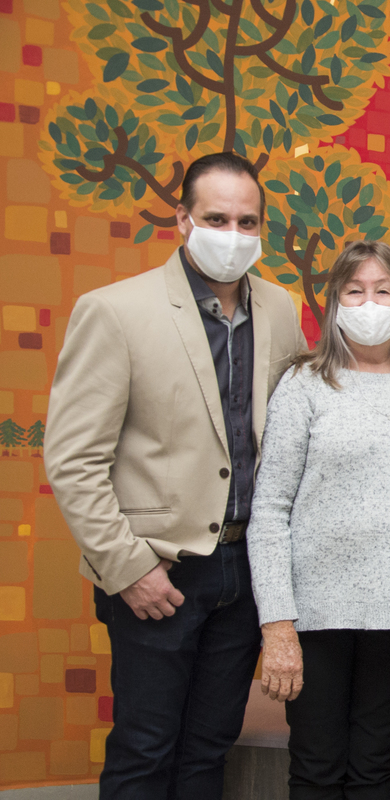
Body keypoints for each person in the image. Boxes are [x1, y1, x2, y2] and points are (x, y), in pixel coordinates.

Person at [44, 152, 306, 798]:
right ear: (182, 219)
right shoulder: (115, 311)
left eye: (249, 221)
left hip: (243, 574)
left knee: (207, 749)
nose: (234, 234)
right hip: (155, 572)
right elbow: (74, 459)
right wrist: (127, 566)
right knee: (145, 747)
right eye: (217, 218)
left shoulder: (280, 309)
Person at [245, 241, 390, 799]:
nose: (370, 303)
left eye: (383, 290)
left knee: (373, 768)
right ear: (335, 304)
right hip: (313, 616)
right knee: (316, 767)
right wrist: (277, 623)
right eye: (354, 291)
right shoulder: (304, 383)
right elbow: (268, 511)